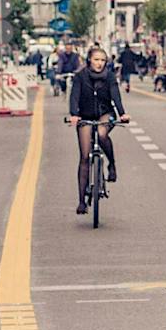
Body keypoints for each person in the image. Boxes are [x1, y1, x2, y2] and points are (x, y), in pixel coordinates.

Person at [69, 44, 127, 213]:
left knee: (102, 134)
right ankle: (81, 202)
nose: (99, 63)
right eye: (96, 60)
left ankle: (112, 165)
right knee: (85, 157)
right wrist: (74, 114)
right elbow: (74, 96)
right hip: (85, 116)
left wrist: (122, 113)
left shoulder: (109, 76)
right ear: (89, 60)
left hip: (105, 114)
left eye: (102, 60)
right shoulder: (80, 76)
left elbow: (116, 95)